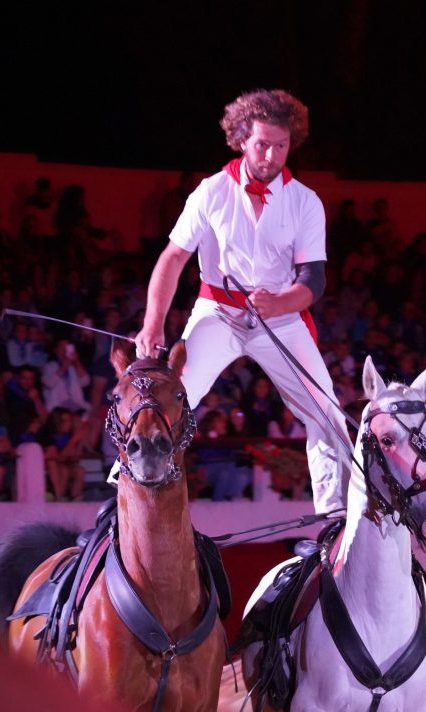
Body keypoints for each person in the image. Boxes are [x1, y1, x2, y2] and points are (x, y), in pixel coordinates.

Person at [129, 88, 351, 514]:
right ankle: (127, 496)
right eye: (262, 144)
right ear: (242, 139)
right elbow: (173, 257)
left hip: (281, 318)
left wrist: (282, 303)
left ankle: (334, 518)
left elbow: (313, 280)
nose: (270, 155)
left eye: (281, 146)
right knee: (166, 400)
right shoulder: (211, 191)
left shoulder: (305, 202)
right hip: (218, 312)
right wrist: (153, 323)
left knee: (328, 415)